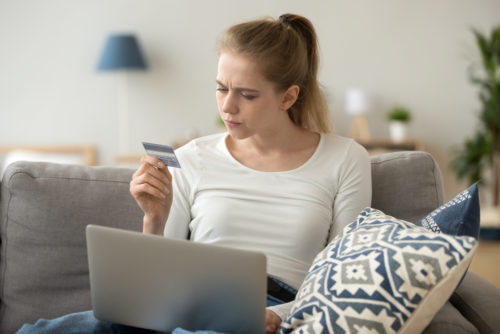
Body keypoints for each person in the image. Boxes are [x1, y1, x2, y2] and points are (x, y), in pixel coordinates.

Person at [16, 13, 371, 334]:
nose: (227, 106)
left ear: (288, 97)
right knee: (52, 330)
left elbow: (343, 275)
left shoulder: (345, 158)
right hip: (184, 301)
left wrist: (282, 315)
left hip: (278, 307)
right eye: (221, 88)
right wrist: (154, 218)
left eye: (246, 94)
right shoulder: (191, 157)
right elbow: (155, 279)